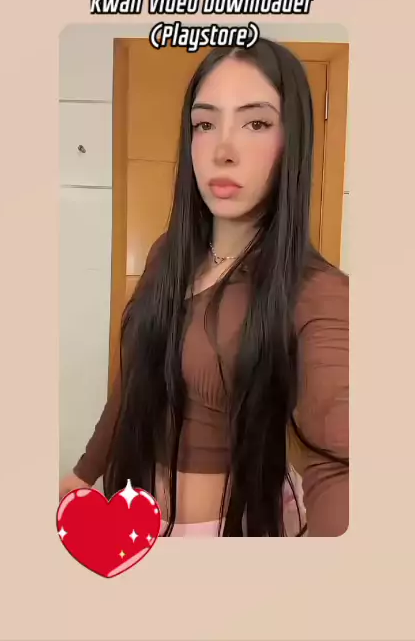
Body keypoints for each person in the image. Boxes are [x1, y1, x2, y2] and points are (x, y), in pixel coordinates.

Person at [59, 38, 349, 538]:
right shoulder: (167, 254)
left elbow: (341, 463)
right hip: (133, 521)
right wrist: (82, 476)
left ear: (292, 141)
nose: (222, 151)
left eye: (256, 124)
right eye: (205, 124)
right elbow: (132, 383)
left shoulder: (318, 291)